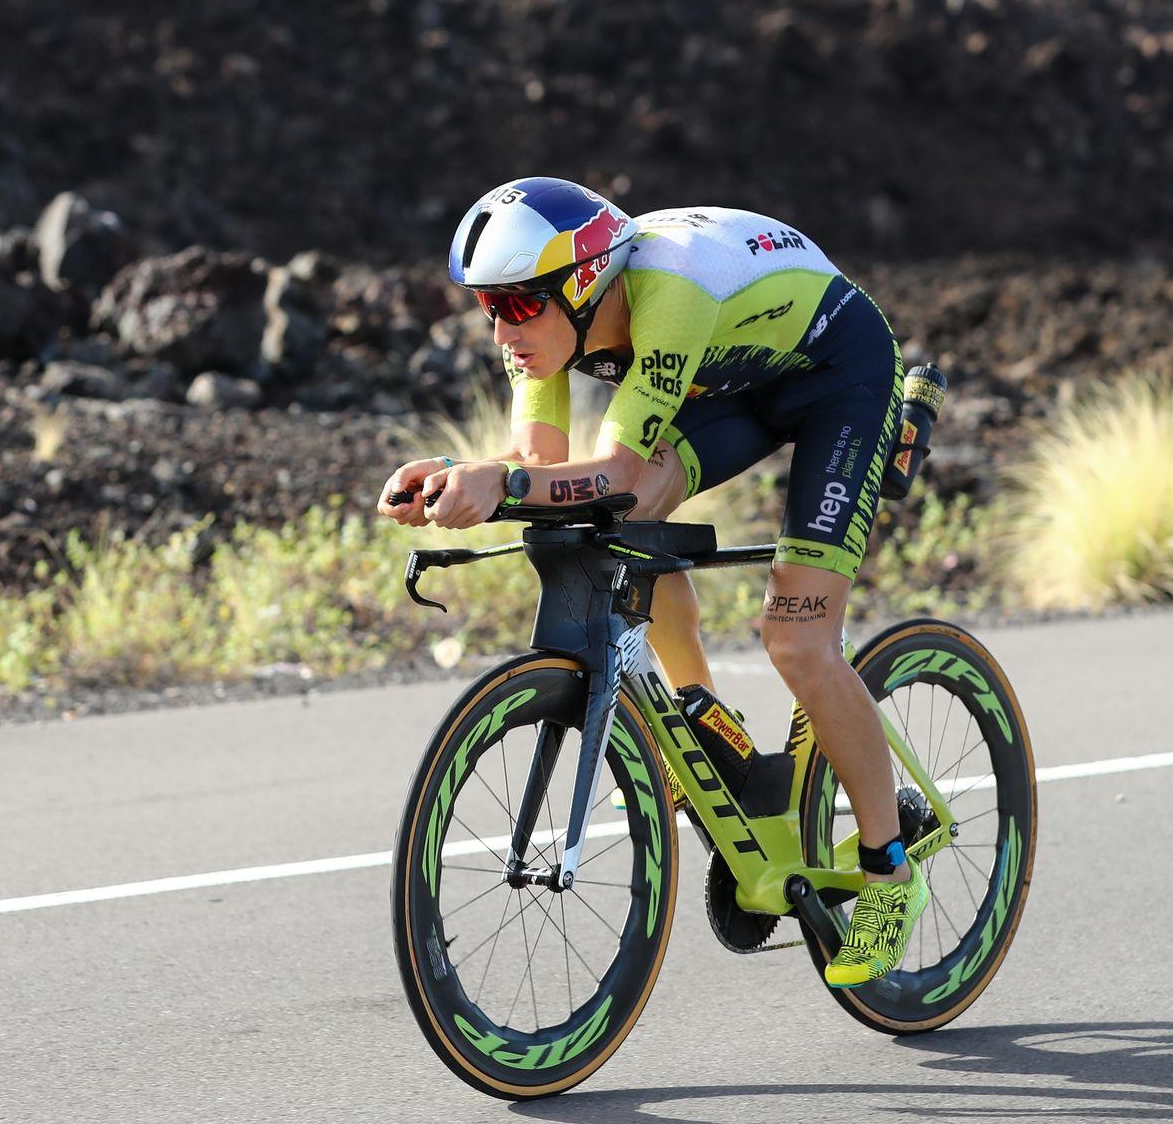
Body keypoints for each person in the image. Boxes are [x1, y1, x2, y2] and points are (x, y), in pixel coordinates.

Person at [378, 176, 924, 988]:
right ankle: (705, 716)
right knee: (619, 521)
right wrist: (466, 475)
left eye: (519, 306)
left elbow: (614, 470)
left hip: (838, 374)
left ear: (583, 282)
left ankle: (887, 868)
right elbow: (541, 470)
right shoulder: (542, 335)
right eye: (487, 307)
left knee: (797, 638)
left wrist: (503, 484)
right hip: (737, 380)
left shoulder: (666, 294)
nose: (501, 329)